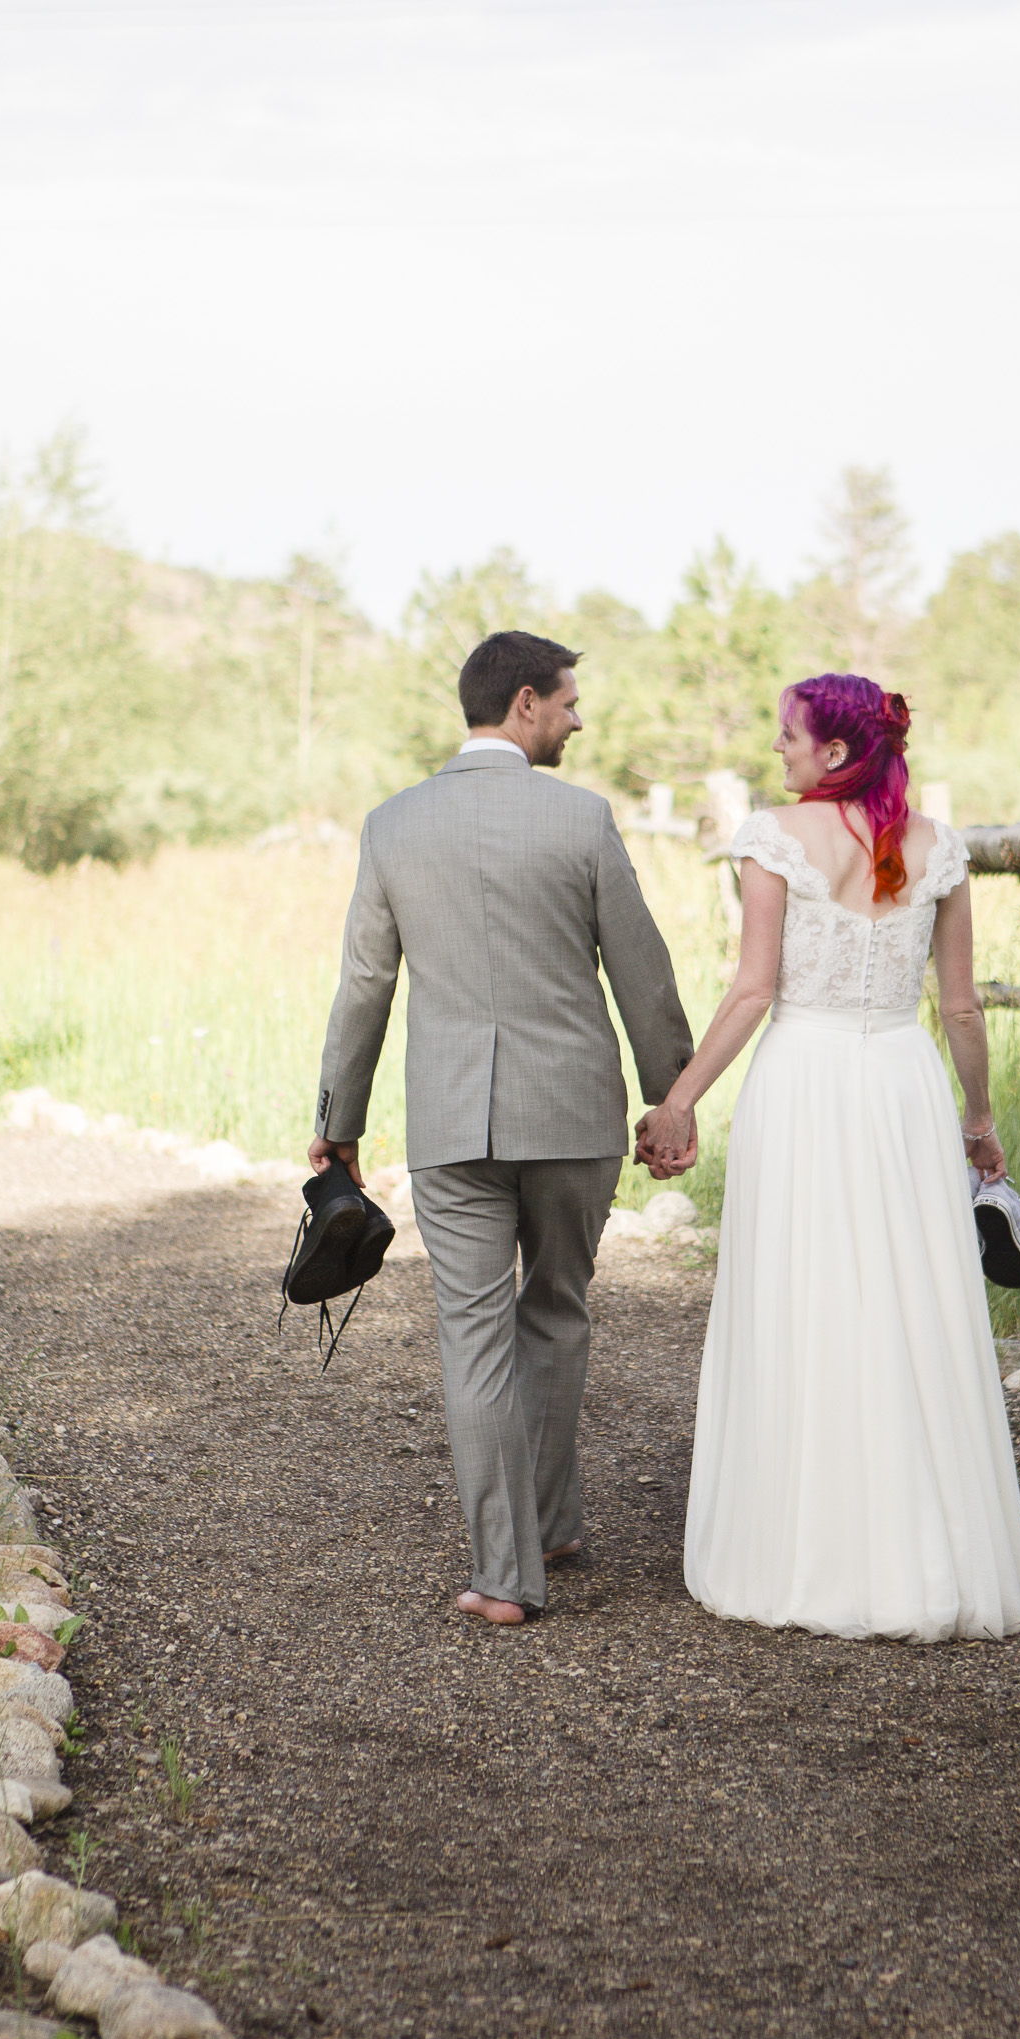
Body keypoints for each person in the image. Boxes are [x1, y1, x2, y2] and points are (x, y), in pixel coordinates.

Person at [636, 674, 1020, 1643]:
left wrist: (678, 1100)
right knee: (908, 1301)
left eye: (789, 735)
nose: (778, 749)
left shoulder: (776, 837)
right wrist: (978, 1119)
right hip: (902, 1080)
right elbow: (961, 1008)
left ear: (832, 750)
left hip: (807, 1079)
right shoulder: (937, 847)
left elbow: (752, 990)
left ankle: (799, 1553)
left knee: (804, 1294)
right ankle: (925, 1553)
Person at [311, 631, 695, 1627]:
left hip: (451, 1122)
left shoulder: (394, 825)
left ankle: (504, 1574)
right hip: (571, 1113)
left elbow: (366, 984)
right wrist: (672, 1095)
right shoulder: (581, 819)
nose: (579, 717)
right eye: (570, 700)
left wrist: (338, 1125)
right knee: (560, 1308)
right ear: (524, 702)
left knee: (474, 1334)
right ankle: (555, 1522)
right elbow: (641, 970)